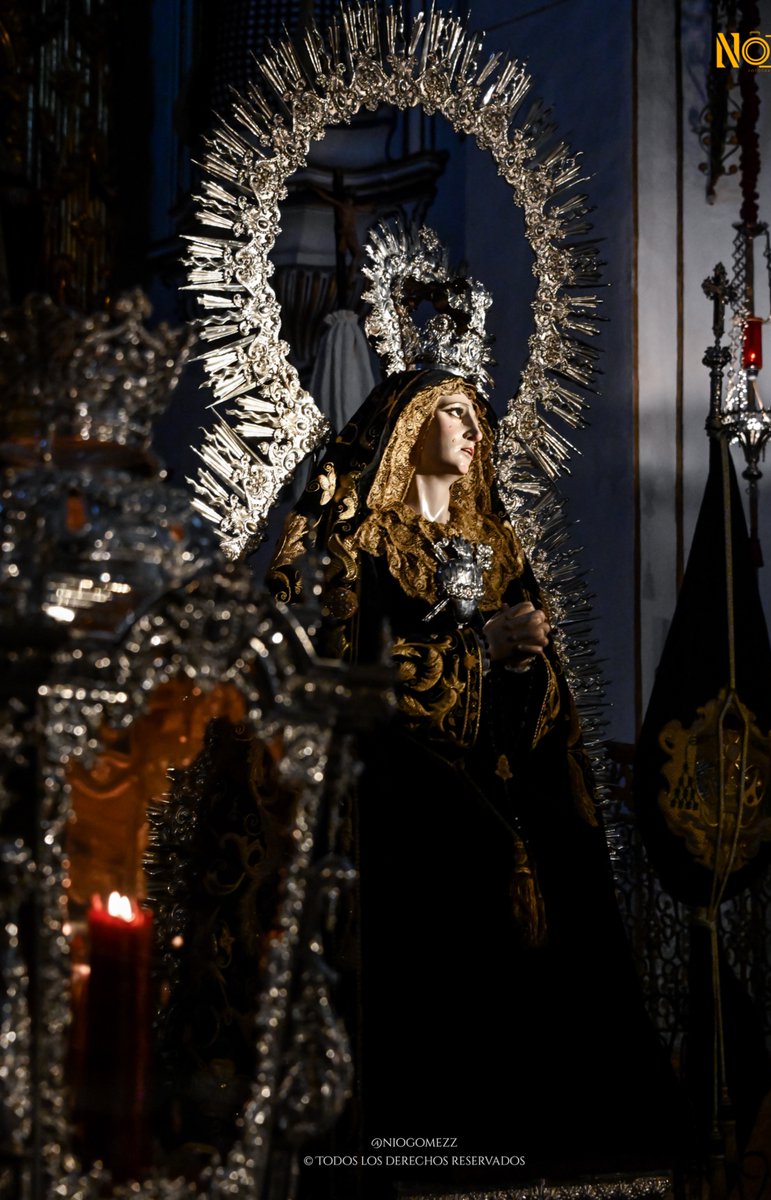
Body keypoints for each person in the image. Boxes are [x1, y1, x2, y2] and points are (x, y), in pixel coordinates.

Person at [268, 366, 688, 1196]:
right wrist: (476, 651)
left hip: (496, 768)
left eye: (477, 415)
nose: (474, 427)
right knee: (467, 850)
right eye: (453, 411)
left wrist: (522, 663)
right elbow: (338, 672)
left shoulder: (497, 548)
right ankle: (427, 1138)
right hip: (392, 775)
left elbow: (544, 700)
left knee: (561, 857)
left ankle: (552, 1124)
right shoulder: (361, 540)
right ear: (409, 426)